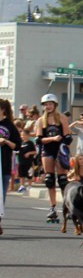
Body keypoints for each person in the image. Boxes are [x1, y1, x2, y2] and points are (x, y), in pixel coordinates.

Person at [34, 94, 71, 221]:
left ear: (55, 105)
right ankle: (52, 207)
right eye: (45, 104)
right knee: (49, 180)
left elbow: (68, 137)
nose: (48, 106)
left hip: (59, 149)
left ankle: (67, 206)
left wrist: (64, 141)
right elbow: (39, 140)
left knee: (62, 180)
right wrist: (52, 138)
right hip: (48, 150)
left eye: (50, 104)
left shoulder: (62, 118)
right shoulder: (40, 121)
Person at [0, 99, 22, 235]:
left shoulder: (9, 125)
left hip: (4, 165)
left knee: (1, 196)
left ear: (2, 109)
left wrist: (6, 141)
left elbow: (18, 145)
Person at [16, 128, 36, 195]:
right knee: (21, 174)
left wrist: (29, 153)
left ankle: (29, 185)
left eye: (24, 135)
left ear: (28, 136)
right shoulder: (20, 143)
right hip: (21, 161)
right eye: (22, 135)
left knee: (29, 174)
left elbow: (35, 151)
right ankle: (22, 185)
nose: (23, 136)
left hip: (28, 162)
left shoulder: (30, 143)